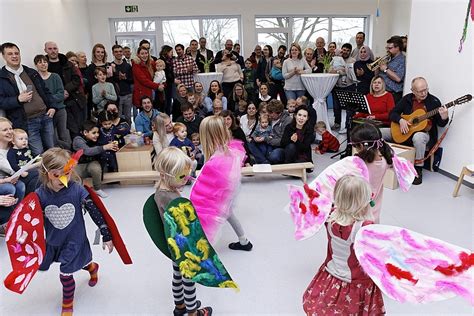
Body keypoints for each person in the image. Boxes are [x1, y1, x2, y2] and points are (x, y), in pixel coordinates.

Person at [36, 148, 115, 316]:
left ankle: (67, 304)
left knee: (65, 273)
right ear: (46, 173)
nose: (63, 179)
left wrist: (106, 235)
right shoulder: (40, 194)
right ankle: (92, 267)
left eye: (66, 173)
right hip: (54, 240)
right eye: (56, 175)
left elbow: (95, 211)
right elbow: (31, 220)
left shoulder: (77, 190)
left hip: (75, 240)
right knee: (80, 263)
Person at [302, 175, 385, 315]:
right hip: (356, 282)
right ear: (362, 202)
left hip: (330, 274)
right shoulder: (364, 228)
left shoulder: (330, 217)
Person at [154, 147, 213, 316]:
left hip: (173, 245)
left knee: (177, 276)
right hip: (184, 245)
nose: (186, 180)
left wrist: (177, 189)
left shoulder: (161, 192)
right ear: (166, 175)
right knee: (189, 278)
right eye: (182, 177)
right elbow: (187, 223)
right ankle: (193, 312)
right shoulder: (172, 198)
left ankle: (180, 307)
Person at [196, 115, 253, 250]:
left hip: (221, 190)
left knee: (208, 215)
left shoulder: (217, 156)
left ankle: (203, 244)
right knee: (228, 213)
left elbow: (212, 177)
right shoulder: (226, 148)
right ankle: (244, 241)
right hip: (228, 188)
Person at [387, 77, 448, 185]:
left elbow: (440, 123)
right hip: (404, 131)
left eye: (426, 89)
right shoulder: (407, 99)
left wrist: (444, 117)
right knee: (379, 133)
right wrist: (401, 120)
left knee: (418, 137)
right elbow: (392, 113)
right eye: (420, 91)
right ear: (413, 91)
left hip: (425, 135)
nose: (424, 93)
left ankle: (418, 169)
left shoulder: (434, 101)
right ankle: (381, 162)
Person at [0, 42, 55, 156]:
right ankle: (42, 174)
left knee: (52, 150)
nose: (14, 56)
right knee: (38, 154)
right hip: (27, 122)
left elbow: (46, 91)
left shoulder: (31, 72)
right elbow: (1, 102)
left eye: (16, 53)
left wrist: (52, 106)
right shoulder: (1, 77)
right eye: (10, 54)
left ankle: (56, 173)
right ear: (3, 56)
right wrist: (17, 99)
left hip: (45, 117)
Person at [34, 54, 71, 150]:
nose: (43, 64)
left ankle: (69, 154)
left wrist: (47, 99)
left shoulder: (55, 76)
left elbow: (61, 94)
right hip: (46, 112)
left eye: (45, 61)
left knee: (63, 134)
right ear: (36, 65)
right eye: (40, 62)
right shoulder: (35, 80)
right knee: (51, 137)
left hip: (60, 110)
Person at [73, 120, 118, 198]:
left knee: (95, 168)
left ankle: (97, 189)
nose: (96, 135)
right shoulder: (78, 140)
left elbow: (102, 147)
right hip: (78, 165)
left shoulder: (96, 139)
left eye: (97, 133)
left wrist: (112, 147)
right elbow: (88, 151)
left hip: (91, 163)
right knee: (73, 177)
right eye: (94, 133)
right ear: (85, 132)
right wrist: (105, 147)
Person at [248, 99, 292, 164]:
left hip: (278, 146)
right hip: (265, 142)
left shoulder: (287, 121)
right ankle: (264, 161)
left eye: (271, 113)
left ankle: (260, 159)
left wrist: (266, 139)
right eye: (269, 112)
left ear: (279, 112)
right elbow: (257, 129)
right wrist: (255, 137)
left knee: (274, 156)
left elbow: (282, 141)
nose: (269, 114)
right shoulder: (269, 118)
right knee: (249, 143)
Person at [0, 117, 25, 228]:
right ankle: (4, 222)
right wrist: (7, 179)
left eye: (10, 128)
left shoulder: (15, 147)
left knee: (21, 186)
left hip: (11, 179)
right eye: (5, 130)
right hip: (4, 181)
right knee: (9, 189)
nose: (10, 131)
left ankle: (15, 218)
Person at [329, 43, 357, 131]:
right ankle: (337, 123)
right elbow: (329, 69)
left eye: (348, 51)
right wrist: (339, 70)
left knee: (349, 108)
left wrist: (338, 71)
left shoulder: (352, 60)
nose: (345, 52)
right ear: (341, 49)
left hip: (349, 86)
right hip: (337, 86)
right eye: (344, 50)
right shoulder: (335, 58)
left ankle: (347, 126)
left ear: (350, 52)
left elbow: (347, 71)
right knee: (336, 107)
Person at [7, 128, 40, 194]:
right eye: (21, 139)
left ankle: (36, 192)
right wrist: (20, 172)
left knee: (40, 174)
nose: (24, 141)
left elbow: (31, 158)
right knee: (38, 174)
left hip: (31, 169)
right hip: (22, 173)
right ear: (13, 142)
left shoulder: (26, 149)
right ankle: (30, 194)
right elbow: (13, 165)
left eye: (26, 139)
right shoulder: (12, 152)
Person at [132, 46, 160, 114]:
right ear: (138, 55)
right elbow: (144, 80)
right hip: (142, 93)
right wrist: (157, 86)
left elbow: (158, 74)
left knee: (152, 114)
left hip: (151, 92)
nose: (145, 55)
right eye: (142, 53)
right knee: (144, 115)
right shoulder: (136, 65)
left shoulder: (150, 64)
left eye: (146, 53)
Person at [378, 36, 406, 104]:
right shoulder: (389, 58)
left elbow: (398, 78)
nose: (388, 50)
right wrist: (377, 66)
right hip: (383, 91)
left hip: (393, 94)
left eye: (390, 48)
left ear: (397, 48)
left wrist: (385, 69)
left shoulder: (402, 60)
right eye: (387, 48)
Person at [111, 44, 133, 124]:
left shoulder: (127, 65)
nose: (118, 53)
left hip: (128, 94)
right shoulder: (110, 65)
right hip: (116, 96)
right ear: (113, 53)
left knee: (128, 117)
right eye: (116, 52)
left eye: (120, 51)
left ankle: (129, 135)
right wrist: (117, 76)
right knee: (118, 117)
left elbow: (132, 80)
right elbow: (110, 80)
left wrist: (125, 78)